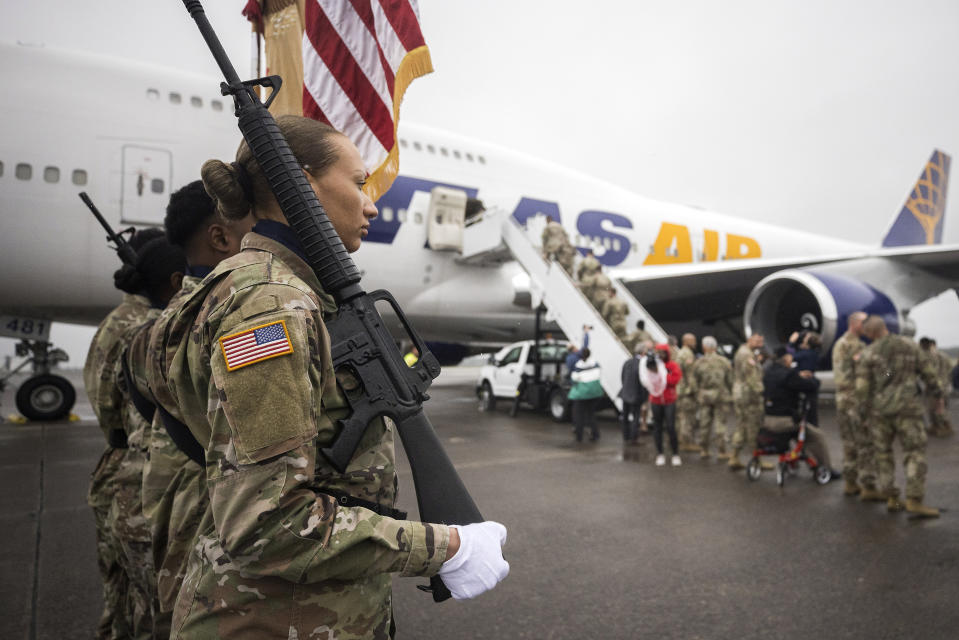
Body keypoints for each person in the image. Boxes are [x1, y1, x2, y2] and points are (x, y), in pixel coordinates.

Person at [155, 116, 508, 637]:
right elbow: (265, 524)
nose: (371, 205)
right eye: (360, 183)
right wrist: (446, 548)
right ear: (302, 183)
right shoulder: (271, 304)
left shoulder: (250, 288)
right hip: (277, 618)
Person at [125, 180, 253, 624]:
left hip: (181, 519)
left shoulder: (167, 321)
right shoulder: (219, 321)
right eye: (257, 229)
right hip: (209, 528)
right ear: (221, 238)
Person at [82, 226, 168, 640]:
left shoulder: (120, 321)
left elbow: (103, 402)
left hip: (118, 467)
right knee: (147, 607)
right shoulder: (139, 326)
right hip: (132, 475)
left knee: (122, 598)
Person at [107, 236, 187, 640]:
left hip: (134, 492)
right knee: (163, 618)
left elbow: (111, 411)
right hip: (157, 506)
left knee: (140, 611)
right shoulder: (170, 337)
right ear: (177, 281)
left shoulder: (136, 335)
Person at [856, 316, 942, 517]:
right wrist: (937, 394)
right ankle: (914, 500)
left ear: (871, 333)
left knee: (883, 454)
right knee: (914, 452)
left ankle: (892, 499)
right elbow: (929, 373)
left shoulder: (869, 353)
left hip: (880, 412)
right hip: (908, 410)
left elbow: (862, 389)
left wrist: (863, 413)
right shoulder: (909, 346)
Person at [763, 347, 840, 481]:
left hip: (767, 420)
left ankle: (799, 459)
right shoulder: (789, 374)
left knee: (797, 434)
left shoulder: (768, 372)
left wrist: (797, 376)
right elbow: (810, 386)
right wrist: (812, 379)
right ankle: (826, 468)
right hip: (786, 421)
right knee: (816, 437)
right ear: (786, 358)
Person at [831, 311, 878, 497]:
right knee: (865, 443)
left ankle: (850, 482)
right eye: (864, 322)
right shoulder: (855, 346)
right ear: (855, 323)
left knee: (849, 443)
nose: (867, 325)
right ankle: (869, 486)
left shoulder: (840, 344)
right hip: (856, 401)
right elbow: (873, 372)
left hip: (843, 400)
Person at [688, 336, 732, 461]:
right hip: (720, 396)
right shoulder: (724, 361)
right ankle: (722, 451)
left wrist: (698, 394)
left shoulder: (699, 362)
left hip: (704, 396)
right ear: (715, 347)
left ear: (704, 347)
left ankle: (704, 450)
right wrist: (730, 394)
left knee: (704, 424)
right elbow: (730, 380)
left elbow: (693, 381)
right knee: (720, 425)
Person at [728, 333, 765, 471]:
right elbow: (751, 379)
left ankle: (734, 456)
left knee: (742, 425)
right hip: (748, 396)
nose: (760, 342)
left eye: (761, 340)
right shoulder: (747, 355)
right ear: (749, 339)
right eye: (757, 340)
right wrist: (762, 392)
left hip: (740, 393)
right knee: (753, 427)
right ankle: (757, 459)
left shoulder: (745, 352)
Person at [641, 344, 682, 466]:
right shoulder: (652, 365)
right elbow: (646, 380)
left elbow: (674, 380)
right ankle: (660, 454)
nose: (660, 355)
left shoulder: (672, 366)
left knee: (670, 427)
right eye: (658, 353)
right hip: (656, 400)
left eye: (663, 353)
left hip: (669, 400)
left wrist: (661, 376)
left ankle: (675, 453)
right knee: (657, 427)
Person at [919, 337, 954, 437]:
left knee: (935, 408)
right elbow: (949, 369)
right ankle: (943, 427)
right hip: (944, 385)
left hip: (933, 387)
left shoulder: (928, 357)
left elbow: (927, 373)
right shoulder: (944, 356)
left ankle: (942, 428)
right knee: (942, 407)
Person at [788, 330, 822, 426]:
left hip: (805, 383)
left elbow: (789, 356)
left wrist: (791, 342)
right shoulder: (813, 352)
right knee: (811, 409)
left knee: (806, 409)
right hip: (810, 382)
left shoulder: (806, 354)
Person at [570, 348, 604, 442]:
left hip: (581, 394)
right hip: (594, 393)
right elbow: (599, 374)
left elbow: (574, 378)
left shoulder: (578, 365)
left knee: (578, 415)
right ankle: (595, 434)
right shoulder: (595, 363)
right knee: (591, 414)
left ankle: (579, 436)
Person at [675, 333, 700, 452]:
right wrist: (695, 391)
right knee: (687, 417)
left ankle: (681, 439)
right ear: (686, 341)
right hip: (687, 391)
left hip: (680, 390)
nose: (695, 343)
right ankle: (686, 443)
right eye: (693, 340)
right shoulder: (687, 354)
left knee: (681, 416)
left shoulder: (681, 353)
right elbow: (690, 376)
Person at [618, 343, 647, 444]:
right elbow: (643, 381)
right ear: (643, 352)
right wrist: (644, 397)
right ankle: (633, 438)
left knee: (625, 416)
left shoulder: (628, 362)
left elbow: (622, 377)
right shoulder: (642, 363)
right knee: (635, 417)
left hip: (625, 393)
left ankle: (626, 436)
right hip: (637, 394)